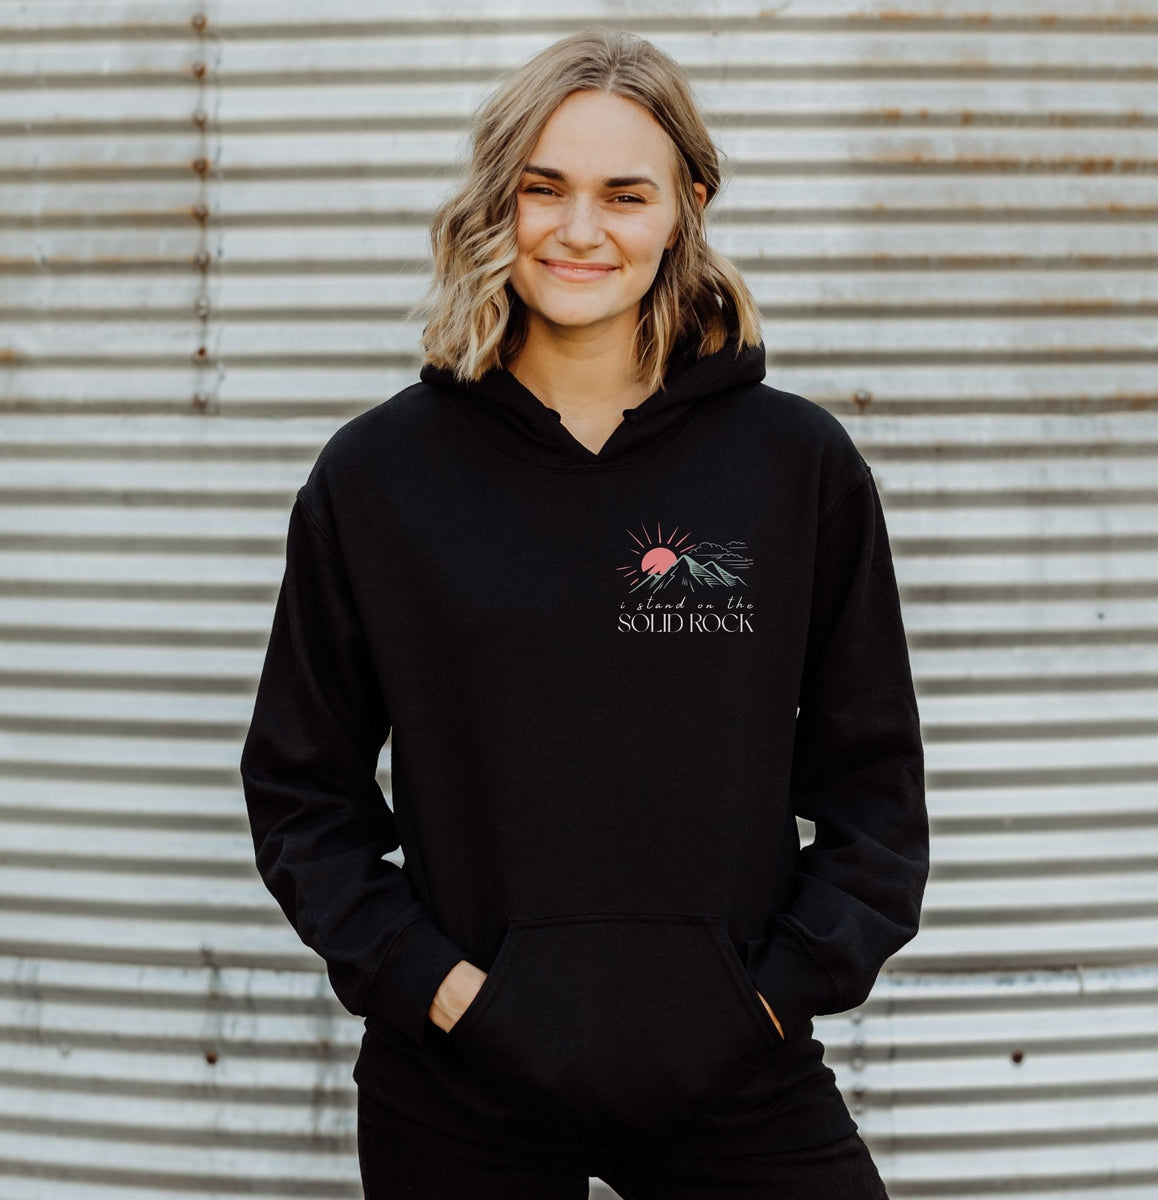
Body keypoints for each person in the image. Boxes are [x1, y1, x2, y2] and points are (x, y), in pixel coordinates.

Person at [240, 26, 928, 1200]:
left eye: (625, 193)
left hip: (738, 1080)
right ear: (496, 203)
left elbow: (874, 796)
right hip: (460, 1093)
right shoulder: (379, 476)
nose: (578, 230)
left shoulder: (795, 466)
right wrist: (442, 990)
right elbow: (303, 790)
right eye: (541, 189)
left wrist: (766, 994)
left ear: (684, 208)